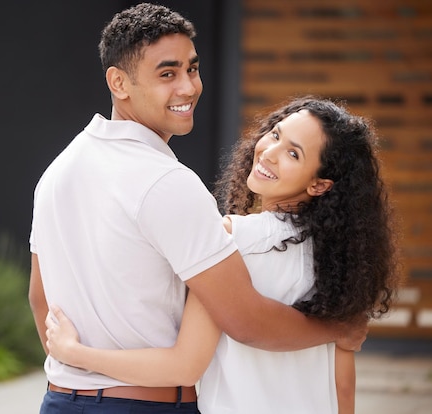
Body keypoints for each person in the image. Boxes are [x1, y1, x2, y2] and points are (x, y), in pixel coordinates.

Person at [29, 3, 367, 413]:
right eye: (167, 74)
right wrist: (338, 328)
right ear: (119, 82)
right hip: (145, 405)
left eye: (192, 68)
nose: (188, 87)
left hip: (60, 400)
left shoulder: (58, 171)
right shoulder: (169, 184)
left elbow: (39, 299)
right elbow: (244, 321)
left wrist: (73, 365)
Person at [44, 96, 399, 414]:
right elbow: (344, 387)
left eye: (294, 154)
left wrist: (75, 354)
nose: (269, 152)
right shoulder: (344, 266)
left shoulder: (232, 239)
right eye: (275, 134)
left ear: (319, 184)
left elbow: (185, 366)